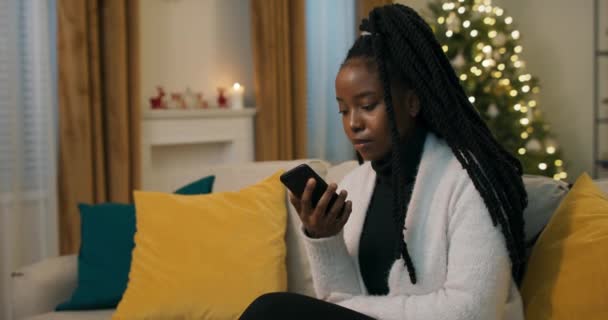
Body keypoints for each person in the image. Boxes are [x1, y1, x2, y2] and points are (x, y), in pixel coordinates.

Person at [240, 4, 527, 320]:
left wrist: (353, 309)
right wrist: (324, 238)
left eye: (367, 105)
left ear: (412, 102)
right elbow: (339, 300)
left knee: (271, 310)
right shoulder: (356, 186)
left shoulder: (472, 181)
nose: (353, 123)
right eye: (343, 110)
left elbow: (473, 311)